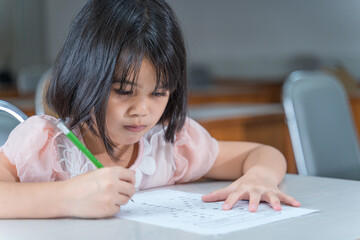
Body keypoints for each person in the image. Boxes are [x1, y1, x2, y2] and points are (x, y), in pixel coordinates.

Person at [0, 0, 300, 219]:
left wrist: (259, 177)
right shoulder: (46, 145)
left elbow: (262, 153)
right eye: (123, 91)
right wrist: (67, 198)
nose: (142, 110)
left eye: (159, 93)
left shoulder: (170, 145)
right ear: (83, 76)